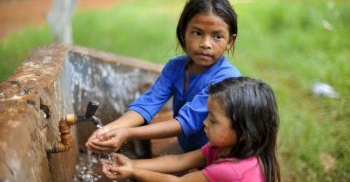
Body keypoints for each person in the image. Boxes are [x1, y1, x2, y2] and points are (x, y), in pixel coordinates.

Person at [85, 0, 240, 154]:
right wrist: (109, 129)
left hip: (215, 154)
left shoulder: (227, 78)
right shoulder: (175, 67)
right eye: (197, 33)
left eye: (217, 36)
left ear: (230, 41)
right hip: (189, 149)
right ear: (183, 33)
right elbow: (148, 103)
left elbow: (186, 122)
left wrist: (128, 133)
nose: (206, 44)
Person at [101, 77, 281, 182]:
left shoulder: (230, 170)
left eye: (213, 120)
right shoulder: (224, 146)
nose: (204, 123)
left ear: (243, 132)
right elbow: (180, 160)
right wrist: (132, 164)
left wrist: (133, 172)